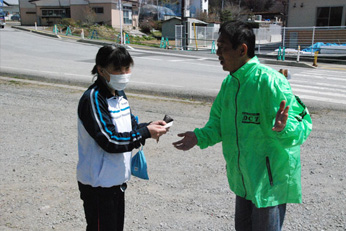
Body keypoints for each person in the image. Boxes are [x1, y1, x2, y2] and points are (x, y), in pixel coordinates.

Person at [173, 20, 312, 231]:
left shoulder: (270, 82)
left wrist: (285, 128)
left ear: (242, 49)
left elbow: (303, 126)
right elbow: (218, 124)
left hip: (268, 182)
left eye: (223, 48)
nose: (218, 53)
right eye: (217, 47)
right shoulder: (230, 84)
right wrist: (198, 137)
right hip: (243, 179)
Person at [77, 45, 168, 231]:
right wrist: (145, 133)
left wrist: (149, 127)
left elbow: (130, 128)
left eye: (127, 68)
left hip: (116, 180)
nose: (124, 74)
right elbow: (110, 140)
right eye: (117, 69)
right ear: (101, 70)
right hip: (98, 185)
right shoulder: (93, 98)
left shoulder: (119, 94)